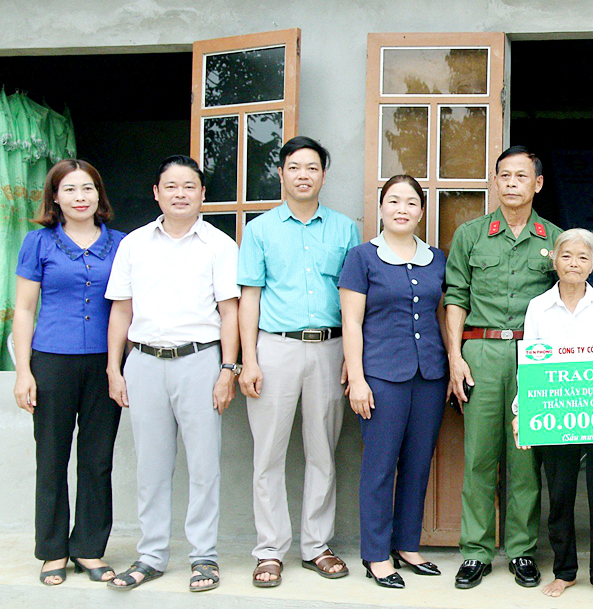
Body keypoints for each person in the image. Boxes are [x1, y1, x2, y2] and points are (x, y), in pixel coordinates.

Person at [105, 155, 240, 592]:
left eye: (189, 186)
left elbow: (229, 311)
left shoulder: (219, 245)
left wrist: (228, 369)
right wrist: (115, 367)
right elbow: (121, 309)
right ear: (156, 193)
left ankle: (204, 557)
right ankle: (151, 555)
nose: (180, 194)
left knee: (204, 466)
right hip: (143, 361)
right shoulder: (134, 244)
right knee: (152, 465)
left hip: (200, 360)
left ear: (202, 194)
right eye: (171, 186)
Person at [238, 136, 360, 587]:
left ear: (324, 175)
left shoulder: (345, 229)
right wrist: (246, 359)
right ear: (282, 174)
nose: (303, 174)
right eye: (295, 167)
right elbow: (249, 297)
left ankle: (315, 545)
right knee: (267, 454)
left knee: (322, 452)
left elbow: (353, 301)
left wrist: (352, 357)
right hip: (275, 348)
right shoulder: (260, 229)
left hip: (329, 349)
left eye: (312, 167)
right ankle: (269, 550)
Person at [444, 145, 562, 589]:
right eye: (504, 176)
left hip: (534, 356)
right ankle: (475, 550)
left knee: (525, 457)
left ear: (537, 184)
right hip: (481, 353)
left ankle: (522, 550)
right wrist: (455, 357)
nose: (512, 183)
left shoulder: (555, 239)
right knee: (479, 455)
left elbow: (567, 298)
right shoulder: (472, 234)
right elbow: (455, 297)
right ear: (495, 182)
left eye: (521, 176)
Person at [12, 159, 125, 586]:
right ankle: (53, 550)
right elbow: (23, 309)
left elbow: (127, 306)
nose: (81, 197)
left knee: (97, 459)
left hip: (104, 363)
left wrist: (119, 366)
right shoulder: (38, 243)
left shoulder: (121, 244)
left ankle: (90, 549)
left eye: (88, 189)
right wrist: (23, 370)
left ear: (99, 195)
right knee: (52, 456)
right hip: (51, 362)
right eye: (71, 190)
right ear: (55, 197)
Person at [339, 175, 448, 589]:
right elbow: (351, 321)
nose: (402, 209)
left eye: (411, 202)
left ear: (421, 211)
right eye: (394, 201)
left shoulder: (437, 257)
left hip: (430, 375)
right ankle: (376, 553)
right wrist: (358, 379)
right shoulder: (362, 257)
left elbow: (441, 314)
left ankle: (407, 545)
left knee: (419, 463)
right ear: (382, 207)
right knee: (380, 466)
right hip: (381, 375)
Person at [510, 228, 593, 602]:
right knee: (560, 493)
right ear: (554, 261)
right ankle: (565, 570)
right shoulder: (538, 307)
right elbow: (528, 365)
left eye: (583, 257)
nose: (574, 263)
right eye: (567, 256)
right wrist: (521, 412)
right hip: (556, 414)